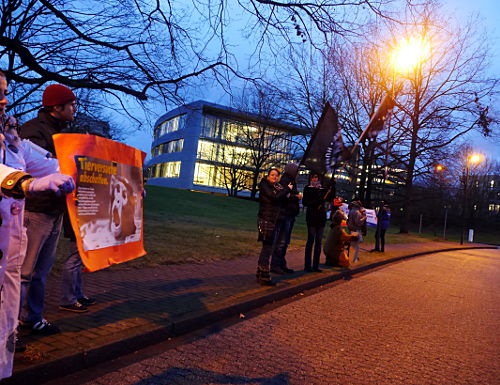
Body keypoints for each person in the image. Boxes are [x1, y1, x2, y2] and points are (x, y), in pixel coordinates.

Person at [0, 70, 75, 380]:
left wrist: (116, 181)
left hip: (9, 250)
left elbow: (47, 162)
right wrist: (27, 184)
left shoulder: (11, 133)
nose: (4, 99)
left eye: (5, 90)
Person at [18, 84, 79, 334]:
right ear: (57, 107)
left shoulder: (60, 133)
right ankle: (12, 324)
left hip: (54, 211)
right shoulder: (33, 131)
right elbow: (32, 168)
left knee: (41, 271)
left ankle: (33, 317)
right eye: (72, 104)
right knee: (25, 271)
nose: (75, 109)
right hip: (36, 211)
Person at [256, 168, 292, 286]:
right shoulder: (265, 185)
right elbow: (274, 197)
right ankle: (264, 275)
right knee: (267, 248)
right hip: (266, 219)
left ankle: (261, 273)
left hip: (273, 220)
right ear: (268, 176)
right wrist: (287, 189)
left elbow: (281, 200)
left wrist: (287, 192)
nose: (274, 177)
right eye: (272, 175)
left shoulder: (276, 187)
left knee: (267, 247)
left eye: (276, 176)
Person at [270, 163, 302, 275]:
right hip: (286, 214)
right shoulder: (286, 181)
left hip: (289, 214)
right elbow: (285, 196)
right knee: (282, 241)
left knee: (284, 241)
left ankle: (280, 263)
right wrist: (296, 197)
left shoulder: (290, 181)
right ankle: (276, 264)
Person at [302, 173, 332, 272]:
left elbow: (330, 198)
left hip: (321, 218)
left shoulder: (322, 189)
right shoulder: (308, 188)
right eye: (313, 177)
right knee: (311, 240)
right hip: (311, 217)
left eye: (316, 177)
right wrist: (316, 201)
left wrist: (332, 187)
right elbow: (305, 202)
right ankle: (307, 265)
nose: (315, 179)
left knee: (318, 242)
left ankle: (315, 265)